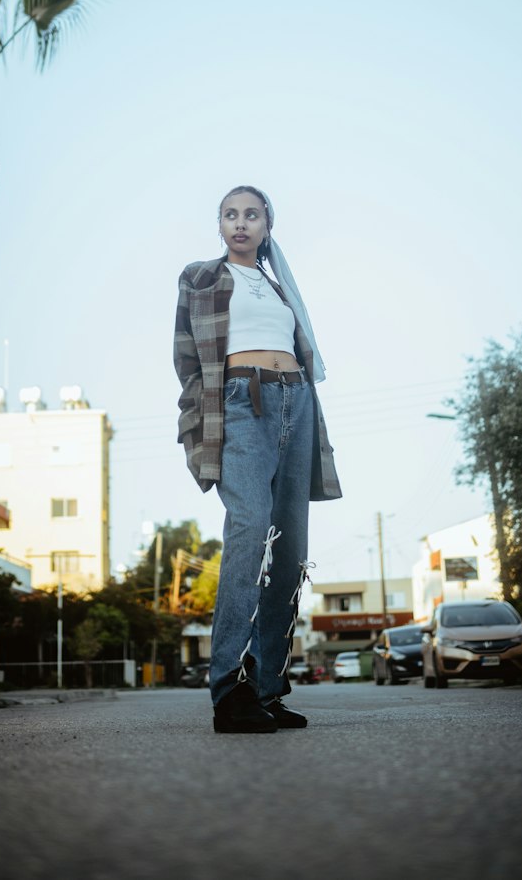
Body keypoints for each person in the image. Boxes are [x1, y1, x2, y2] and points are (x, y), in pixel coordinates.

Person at [174, 186, 342, 733]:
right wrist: (200, 416)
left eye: (251, 214)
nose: (240, 223)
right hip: (242, 402)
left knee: (291, 547)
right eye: (230, 215)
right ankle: (229, 689)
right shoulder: (201, 277)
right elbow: (186, 358)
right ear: (219, 225)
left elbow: (303, 349)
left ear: (268, 225)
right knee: (249, 528)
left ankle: (267, 685)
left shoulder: (278, 286)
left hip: (297, 401)